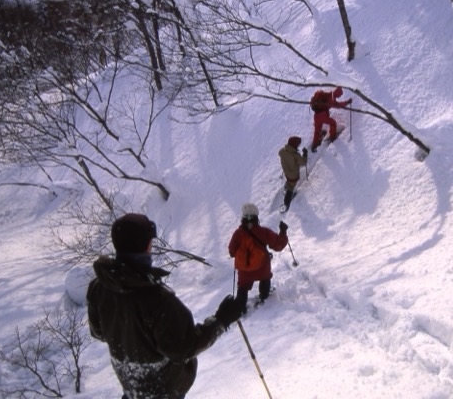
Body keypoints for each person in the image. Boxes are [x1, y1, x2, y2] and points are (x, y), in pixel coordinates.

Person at [87, 213, 244, 399]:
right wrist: (221, 321)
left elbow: (98, 331)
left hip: (131, 388)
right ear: (147, 246)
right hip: (165, 391)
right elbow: (184, 348)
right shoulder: (158, 300)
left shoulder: (100, 287)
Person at [228, 203, 289, 310]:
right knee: (265, 278)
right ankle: (264, 296)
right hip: (261, 268)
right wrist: (283, 232)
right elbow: (278, 245)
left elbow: (231, 252)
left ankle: (239, 307)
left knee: (242, 287)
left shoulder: (237, 234)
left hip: (244, 271)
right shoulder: (263, 232)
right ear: (256, 217)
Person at [309, 86, 352, 152]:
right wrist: (347, 102)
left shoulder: (326, 94)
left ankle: (315, 144)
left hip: (316, 115)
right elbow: (338, 105)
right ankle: (332, 136)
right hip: (323, 115)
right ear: (337, 94)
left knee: (317, 130)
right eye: (339, 95)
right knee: (333, 123)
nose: (339, 97)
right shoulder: (331, 99)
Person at [278, 136, 308, 211]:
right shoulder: (295, 155)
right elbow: (303, 163)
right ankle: (286, 204)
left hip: (286, 171)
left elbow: (280, 153)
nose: (298, 146)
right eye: (298, 144)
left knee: (289, 181)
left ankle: (286, 187)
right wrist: (305, 154)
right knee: (291, 188)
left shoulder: (282, 151)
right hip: (293, 175)